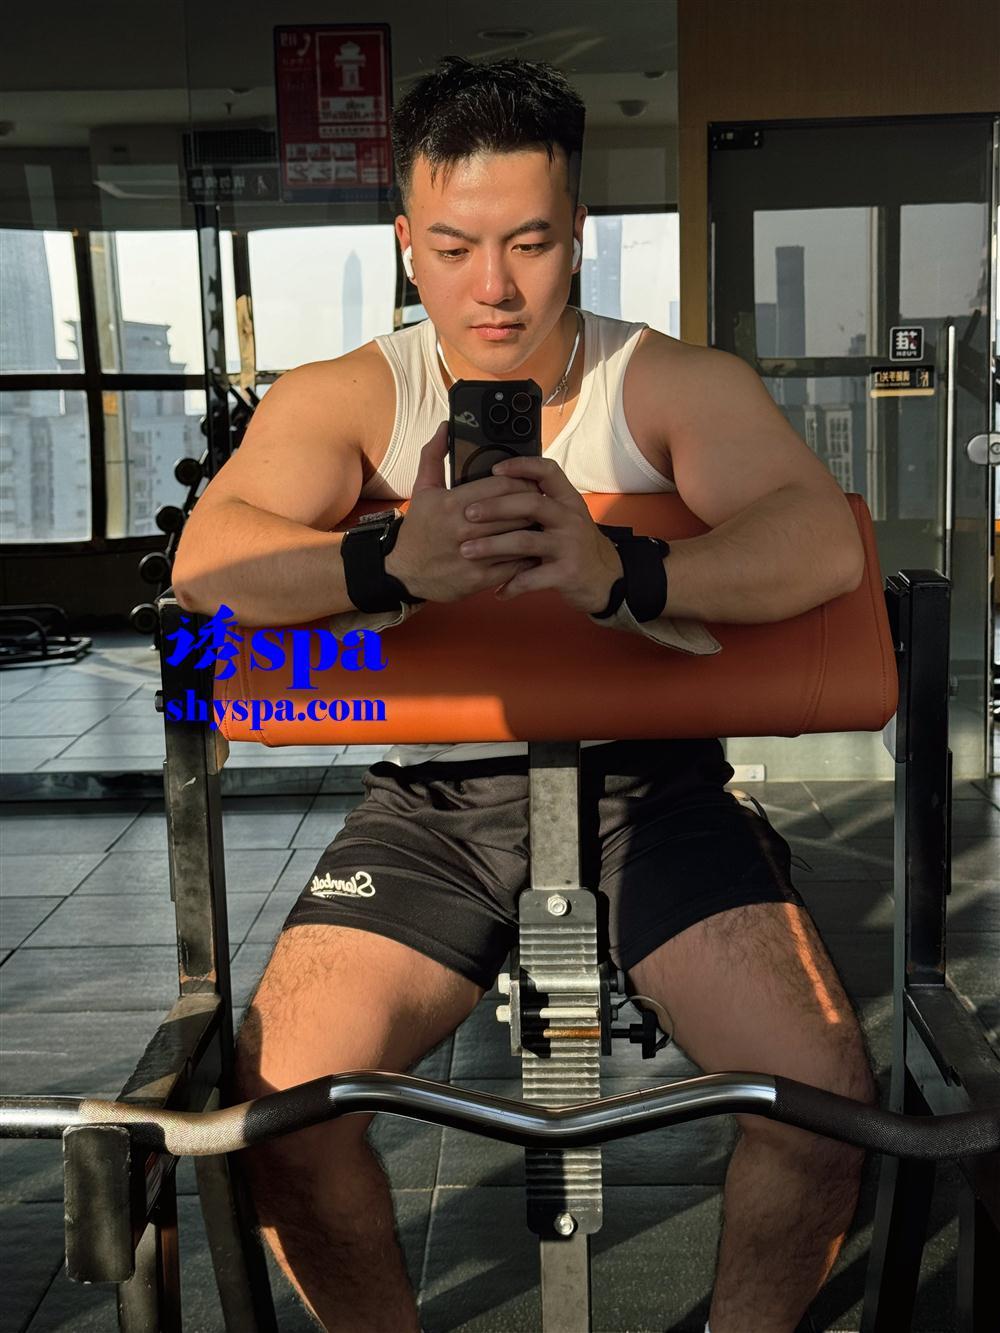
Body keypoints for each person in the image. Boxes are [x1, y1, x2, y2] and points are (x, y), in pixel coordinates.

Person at [172, 56, 877, 1333]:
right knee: (283, 1107)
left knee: (820, 1094)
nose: (491, 287)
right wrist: (388, 563)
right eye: (453, 248)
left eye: (529, 243)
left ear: (578, 234)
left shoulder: (666, 381)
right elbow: (206, 563)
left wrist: (627, 573)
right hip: (432, 809)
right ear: (407, 244)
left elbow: (820, 542)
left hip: (651, 794)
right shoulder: (352, 395)